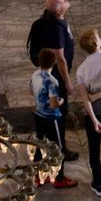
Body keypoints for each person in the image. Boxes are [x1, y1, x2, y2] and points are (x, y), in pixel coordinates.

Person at [26, 0, 80, 164]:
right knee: (59, 117)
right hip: (57, 75)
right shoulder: (56, 28)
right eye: (64, 2)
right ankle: (59, 151)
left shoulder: (46, 19)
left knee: (44, 120)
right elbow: (60, 58)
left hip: (46, 77)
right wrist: (68, 82)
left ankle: (41, 152)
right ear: (58, 9)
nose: (67, 3)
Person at [74, 28, 101, 197]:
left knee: (94, 148)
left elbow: (85, 99)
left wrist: (93, 119)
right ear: (96, 42)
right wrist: (99, 95)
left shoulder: (81, 69)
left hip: (94, 114)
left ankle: (98, 182)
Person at [31, 49, 78, 189]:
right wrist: (61, 101)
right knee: (59, 147)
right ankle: (59, 177)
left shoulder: (35, 75)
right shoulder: (52, 81)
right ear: (54, 63)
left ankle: (39, 176)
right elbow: (53, 104)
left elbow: (31, 91)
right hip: (52, 118)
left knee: (40, 144)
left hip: (38, 114)